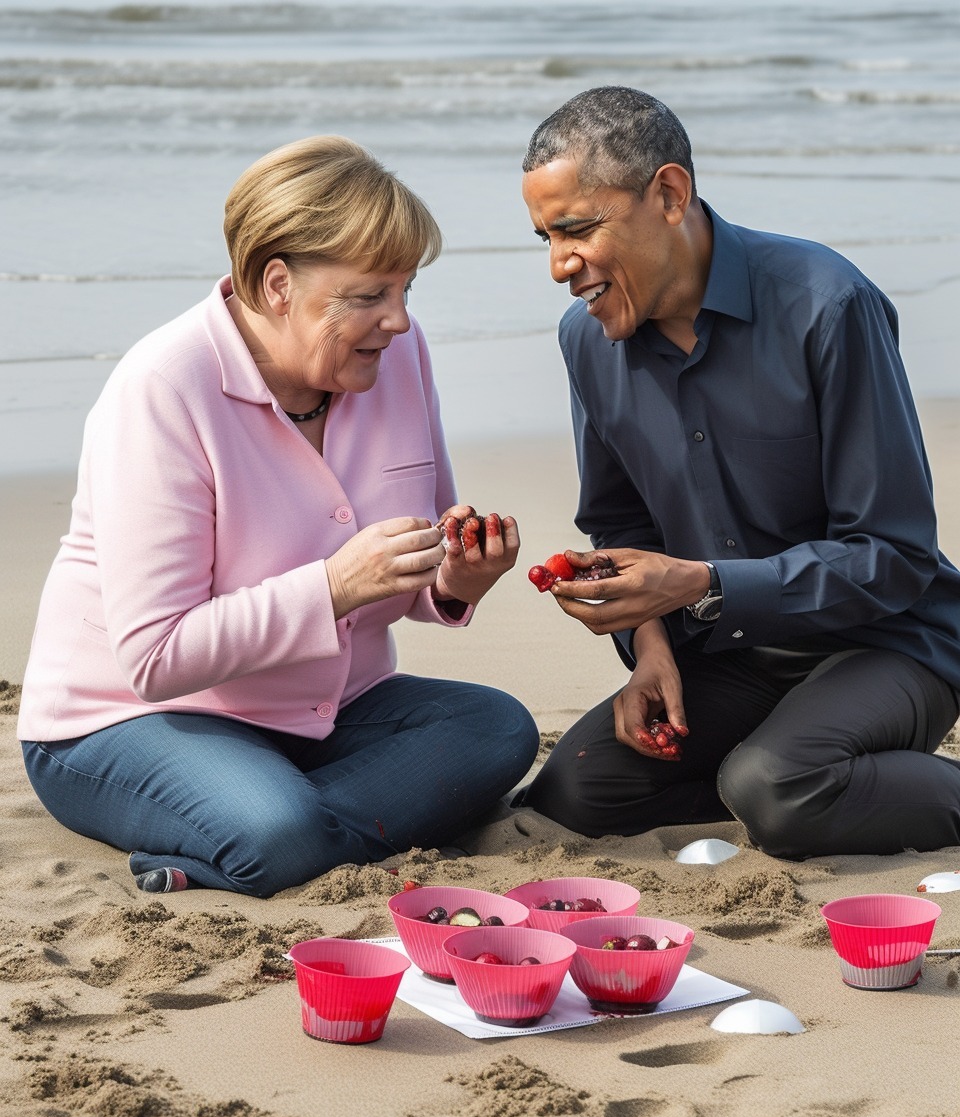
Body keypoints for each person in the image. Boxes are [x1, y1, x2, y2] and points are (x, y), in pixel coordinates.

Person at [18, 135, 539, 897]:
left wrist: (453, 578)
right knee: (277, 829)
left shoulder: (399, 354)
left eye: (406, 291)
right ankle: (270, 836)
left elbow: (400, 577)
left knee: (498, 729)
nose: (397, 321)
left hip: (324, 715)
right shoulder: (163, 389)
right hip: (125, 719)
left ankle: (255, 840)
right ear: (275, 286)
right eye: (368, 297)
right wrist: (331, 587)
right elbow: (156, 658)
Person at [519, 86, 960, 858]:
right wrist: (649, 647)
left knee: (775, 787)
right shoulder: (585, 340)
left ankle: (805, 770)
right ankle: (816, 769)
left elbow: (895, 557)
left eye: (578, 229)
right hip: (726, 653)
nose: (561, 265)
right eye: (545, 239)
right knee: (577, 790)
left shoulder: (828, 305)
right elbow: (621, 527)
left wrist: (697, 585)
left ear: (668, 193)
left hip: (886, 643)